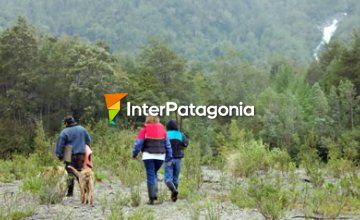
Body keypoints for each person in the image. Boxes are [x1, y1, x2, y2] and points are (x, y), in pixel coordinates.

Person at [132, 116, 172, 205]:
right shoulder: (163, 130)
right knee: (153, 173)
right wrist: (169, 158)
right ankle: (155, 194)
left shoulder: (144, 130)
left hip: (148, 156)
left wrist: (134, 154)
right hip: (160, 157)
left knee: (151, 175)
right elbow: (168, 145)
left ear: (147, 120)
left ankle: (151, 199)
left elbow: (138, 144)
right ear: (157, 120)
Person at [55, 115, 91, 197]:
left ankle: (70, 193)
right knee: (80, 173)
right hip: (81, 155)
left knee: (70, 173)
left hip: (69, 154)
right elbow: (88, 141)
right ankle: (84, 190)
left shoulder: (65, 132)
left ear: (66, 123)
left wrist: (59, 155)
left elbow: (60, 145)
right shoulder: (82, 129)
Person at [164, 120, 188, 202]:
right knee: (175, 179)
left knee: (167, 179)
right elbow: (186, 144)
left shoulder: (166, 134)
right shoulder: (181, 134)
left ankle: (174, 192)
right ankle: (174, 197)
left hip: (168, 159)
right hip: (178, 159)